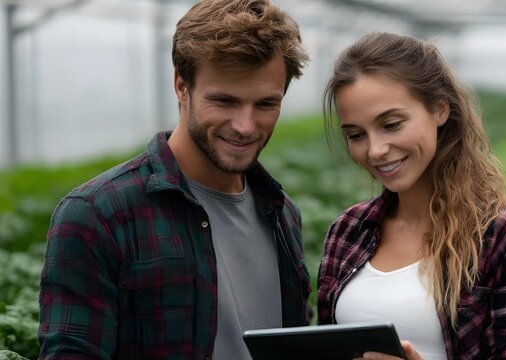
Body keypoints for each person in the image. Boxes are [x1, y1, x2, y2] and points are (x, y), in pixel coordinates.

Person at [38, 0, 311, 359]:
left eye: (265, 104)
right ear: (182, 86)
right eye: (225, 101)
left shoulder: (282, 214)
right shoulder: (98, 216)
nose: (245, 126)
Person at [317, 32, 506, 360]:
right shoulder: (347, 230)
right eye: (356, 135)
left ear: (440, 109)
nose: (375, 150)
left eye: (392, 124)